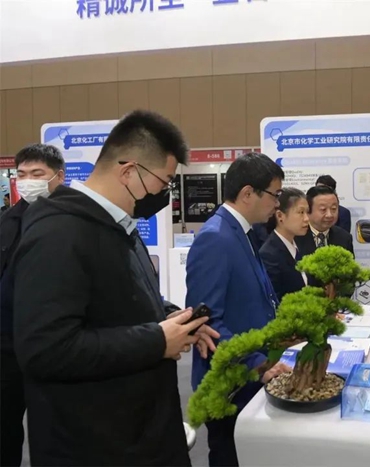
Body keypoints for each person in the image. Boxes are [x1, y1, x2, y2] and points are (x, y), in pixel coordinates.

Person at [12, 110, 218, 466]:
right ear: (129, 172)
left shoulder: (119, 227)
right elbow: (45, 349)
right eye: (164, 182)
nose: (164, 194)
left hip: (139, 430)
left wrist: (175, 320)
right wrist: (157, 340)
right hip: (95, 444)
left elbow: (121, 298)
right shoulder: (58, 234)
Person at [186, 152, 291, 467]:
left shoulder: (242, 232)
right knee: (229, 456)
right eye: (274, 195)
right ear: (248, 193)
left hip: (252, 373)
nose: (277, 204)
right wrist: (257, 363)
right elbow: (207, 322)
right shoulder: (215, 239)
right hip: (230, 381)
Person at [0, 144, 65, 467]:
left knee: (55, 432)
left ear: (58, 176)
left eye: (37, 174)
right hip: (7, 348)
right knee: (5, 429)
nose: (27, 181)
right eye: (22, 174)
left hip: (56, 346)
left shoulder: (74, 220)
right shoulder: (8, 221)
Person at [260, 187, 310, 301]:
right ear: (280, 216)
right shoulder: (269, 254)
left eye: (307, 212)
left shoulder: (301, 245)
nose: (307, 219)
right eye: (301, 212)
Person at [296, 184, 354, 262]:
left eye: (333, 209)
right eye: (323, 209)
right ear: (308, 211)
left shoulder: (344, 238)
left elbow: (350, 268)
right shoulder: (294, 237)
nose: (329, 215)